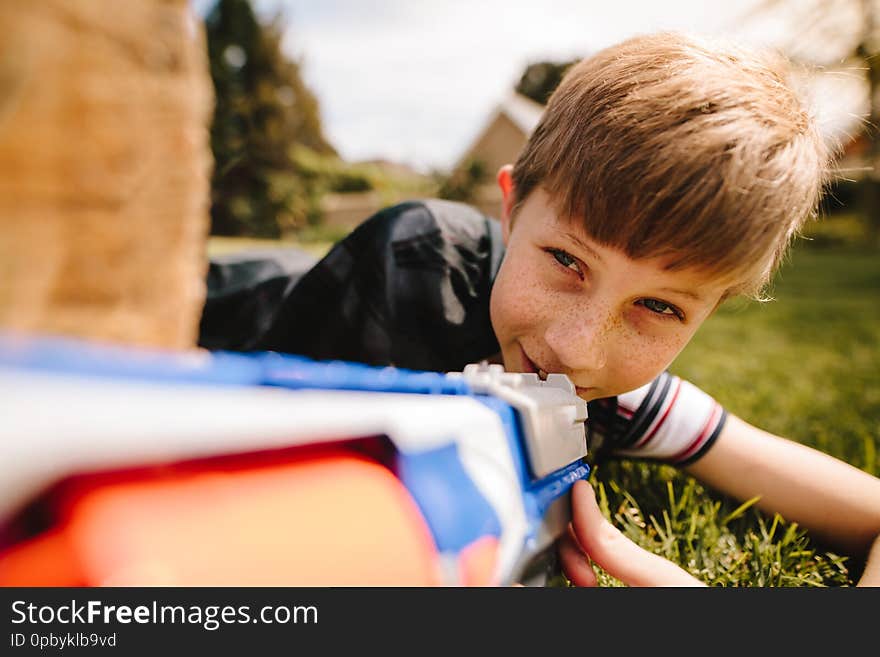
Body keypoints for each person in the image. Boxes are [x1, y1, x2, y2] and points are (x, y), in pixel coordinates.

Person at [198, 31, 880, 586]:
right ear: (510, 205)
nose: (577, 349)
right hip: (214, 301)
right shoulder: (411, 269)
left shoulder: (623, 400)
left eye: (658, 306)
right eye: (566, 260)